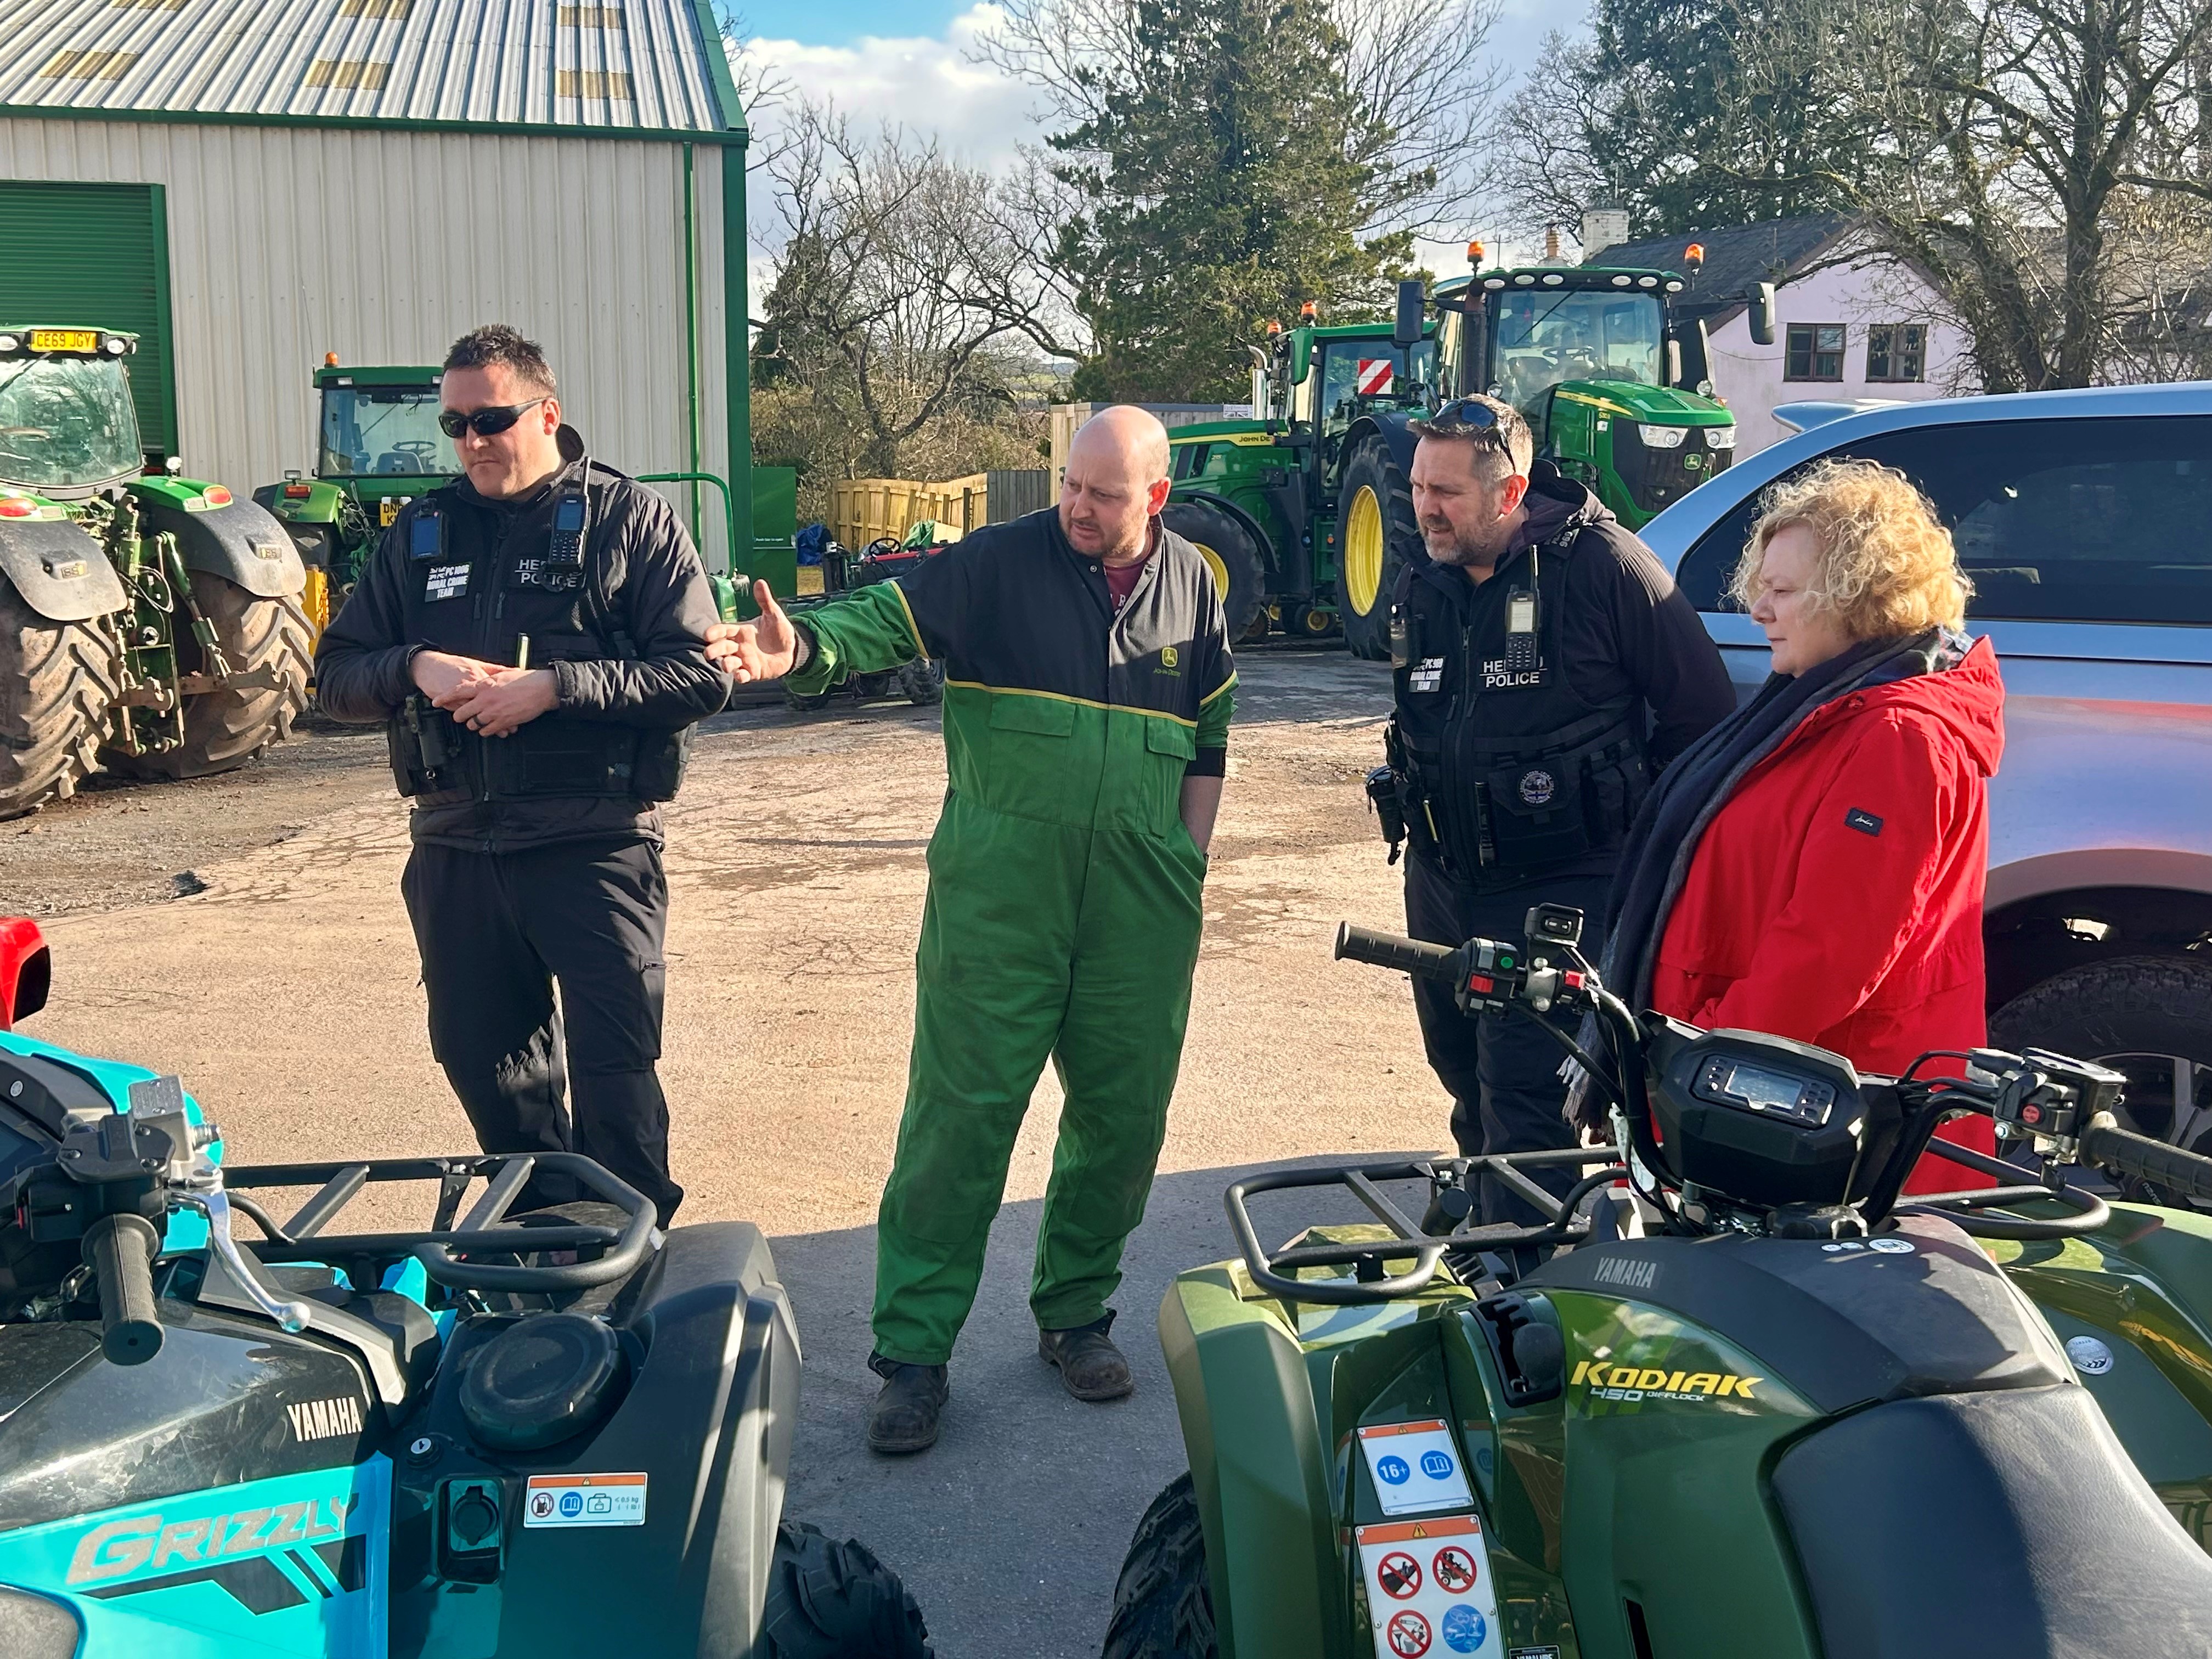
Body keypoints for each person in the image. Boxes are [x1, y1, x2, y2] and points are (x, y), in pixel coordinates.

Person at [707, 407, 1233, 1454]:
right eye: (1070, 485)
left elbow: (1210, 730)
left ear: (1157, 500)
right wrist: (800, 645)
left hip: (1144, 904)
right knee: (960, 1122)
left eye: (1104, 494)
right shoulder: (997, 565)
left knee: (1124, 1123)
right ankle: (913, 1355)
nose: (1077, 507)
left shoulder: (1195, 589)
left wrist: (1188, 855)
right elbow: (881, 622)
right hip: (1001, 900)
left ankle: (1076, 1314)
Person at [315, 325, 726, 1225]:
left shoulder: (630, 520)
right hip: (457, 849)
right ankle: (546, 1240)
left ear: (547, 413)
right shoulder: (422, 533)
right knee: (485, 1067)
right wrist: (414, 665)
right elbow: (335, 676)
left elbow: (702, 674)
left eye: (489, 420)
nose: (470, 442)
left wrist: (555, 688)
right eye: (454, 424)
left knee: (616, 1075)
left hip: (594, 847)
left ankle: (632, 1248)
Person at [1592, 457, 2003, 1190]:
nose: (1759, 609)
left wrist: (1695, 1061)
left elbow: (1825, 955)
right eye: (1760, 587)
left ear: (1859, 596)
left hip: (1820, 1132)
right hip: (1764, 1103)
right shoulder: (1817, 707)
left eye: (1782, 591)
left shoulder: (1899, 738)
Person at [1370, 396, 1734, 1224]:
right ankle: (1485, 1211)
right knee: (1460, 1065)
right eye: (1420, 484)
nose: (1425, 505)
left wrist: (1643, 865)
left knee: (1528, 1096)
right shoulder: (1423, 573)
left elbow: (1703, 721)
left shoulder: (1605, 566)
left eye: (1447, 491)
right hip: (1442, 874)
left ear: (1510, 494)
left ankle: (1523, 1288)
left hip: (1561, 887)